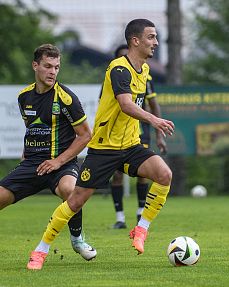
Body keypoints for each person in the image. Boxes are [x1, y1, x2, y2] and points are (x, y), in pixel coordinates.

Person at [27, 19, 175, 270]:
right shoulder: (118, 68)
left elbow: (138, 104)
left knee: (164, 174)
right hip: (105, 149)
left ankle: (140, 229)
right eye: (151, 37)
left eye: (156, 37)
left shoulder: (146, 69)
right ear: (135, 41)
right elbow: (126, 104)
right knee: (75, 202)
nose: (156, 42)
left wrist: (152, 125)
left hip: (130, 146)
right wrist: (155, 120)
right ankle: (40, 250)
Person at [0, 44, 97, 267]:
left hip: (61, 164)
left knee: (70, 190)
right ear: (35, 66)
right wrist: (26, 156)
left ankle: (77, 240)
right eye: (47, 66)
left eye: (56, 67)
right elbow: (32, 128)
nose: (52, 72)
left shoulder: (66, 98)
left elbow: (85, 136)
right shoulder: (24, 97)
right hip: (32, 164)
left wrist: (58, 161)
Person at [110, 44, 167, 229]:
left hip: (140, 130)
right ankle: (120, 218)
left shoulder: (145, 76)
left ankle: (140, 211)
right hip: (117, 136)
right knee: (117, 175)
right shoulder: (114, 76)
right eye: (121, 56)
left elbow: (153, 104)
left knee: (144, 173)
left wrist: (159, 132)